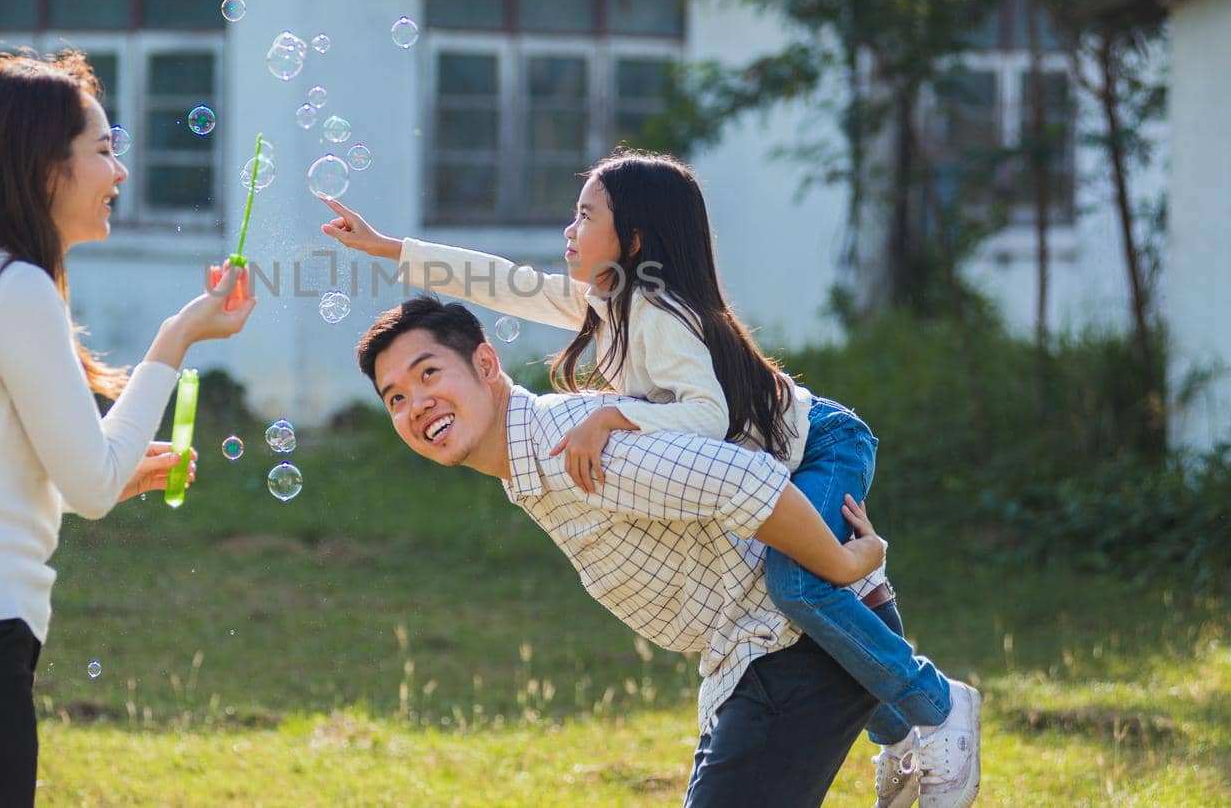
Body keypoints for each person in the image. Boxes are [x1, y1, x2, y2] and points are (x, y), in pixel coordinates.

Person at [322, 149, 979, 808]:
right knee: (800, 584)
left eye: (585, 215)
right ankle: (898, 732)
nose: (568, 231)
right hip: (769, 534)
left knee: (800, 579)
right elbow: (502, 280)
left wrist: (612, 415)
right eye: (395, 397)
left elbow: (713, 429)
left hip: (817, 443)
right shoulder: (604, 307)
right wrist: (389, 248)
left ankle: (937, 705)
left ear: (633, 239)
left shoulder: (648, 326)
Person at [0, 50, 254, 806]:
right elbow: (93, 485)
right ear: (44, 170)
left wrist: (109, 470)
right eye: (103, 151)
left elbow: (23, 479)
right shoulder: (18, 289)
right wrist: (178, 337)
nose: (119, 173)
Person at [358, 295, 906, 805]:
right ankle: (918, 724)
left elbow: (743, 478)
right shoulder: (534, 466)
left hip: (795, 643)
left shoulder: (567, 443)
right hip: (758, 659)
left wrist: (837, 563)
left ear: (484, 363)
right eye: (397, 399)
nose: (417, 405)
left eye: (429, 372)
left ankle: (937, 711)